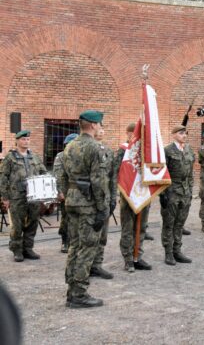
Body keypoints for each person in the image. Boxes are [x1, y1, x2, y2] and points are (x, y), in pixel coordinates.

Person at [60, 110, 110, 308]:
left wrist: (69, 195)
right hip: (88, 204)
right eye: (99, 123)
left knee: (74, 245)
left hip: (72, 201)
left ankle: (72, 288)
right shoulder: (94, 148)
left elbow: (63, 176)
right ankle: (79, 294)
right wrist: (102, 208)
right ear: (93, 125)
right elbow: (98, 181)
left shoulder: (69, 146)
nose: (100, 126)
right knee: (88, 248)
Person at [0, 130, 47, 262]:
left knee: (32, 222)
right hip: (16, 196)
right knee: (17, 225)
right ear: (17, 141)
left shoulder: (35, 157)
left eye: (27, 139)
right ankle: (17, 250)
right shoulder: (10, 158)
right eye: (23, 139)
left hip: (34, 196)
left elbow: (43, 172)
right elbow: (3, 178)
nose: (26, 141)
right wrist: (5, 197)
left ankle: (28, 248)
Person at [117, 123, 152, 272]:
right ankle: (128, 259)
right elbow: (117, 172)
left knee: (141, 226)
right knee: (128, 228)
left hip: (143, 193)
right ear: (130, 134)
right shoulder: (122, 151)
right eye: (135, 135)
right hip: (128, 194)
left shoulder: (145, 152)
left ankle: (138, 255)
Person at [160, 125, 195, 265]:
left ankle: (177, 251)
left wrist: (191, 190)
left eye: (185, 133)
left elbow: (191, 173)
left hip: (185, 192)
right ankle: (168, 253)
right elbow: (162, 173)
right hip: (172, 191)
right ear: (173, 134)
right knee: (169, 224)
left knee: (180, 224)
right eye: (181, 133)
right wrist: (163, 193)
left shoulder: (188, 149)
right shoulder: (167, 150)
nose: (184, 135)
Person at [89, 127, 117, 279]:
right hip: (89, 201)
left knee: (103, 236)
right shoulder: (86, 150)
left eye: (103, 129)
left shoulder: (108, 151)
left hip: (105, 200)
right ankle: (85, 267)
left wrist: (113, 198)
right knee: (88, 237)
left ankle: (97, 265)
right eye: (98, 128)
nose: (101, 131)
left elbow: (112, 177)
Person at [54, 133, 78, 253]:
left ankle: (76, 242)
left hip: (80, 193)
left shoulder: (82, 155)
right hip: (66, 192)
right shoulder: (61, 156)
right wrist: (59, 192)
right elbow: (57, 175)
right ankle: (65, 241)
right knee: (66, 217)